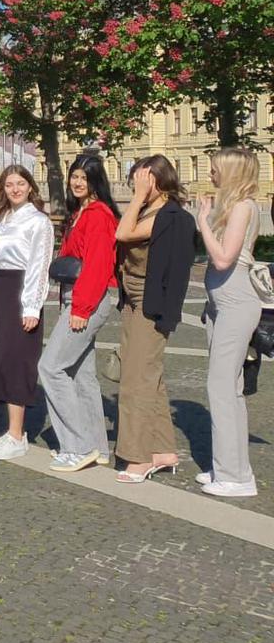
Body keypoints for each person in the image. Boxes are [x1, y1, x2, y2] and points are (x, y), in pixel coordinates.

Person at [112, 155, 193, 484]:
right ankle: (163, 450)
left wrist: (137, 197)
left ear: (157, 180)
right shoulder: (150, 210)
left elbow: (123, 233)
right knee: (150, 378)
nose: (136, 184)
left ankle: (138, 456)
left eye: (141, 178)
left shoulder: (170, 216)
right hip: (133, 300)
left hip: (152, 303)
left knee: (135, 382)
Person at [38, 154, 119, 472]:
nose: (77, 182)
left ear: (96, 180)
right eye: (74, 176)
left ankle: (77, 445)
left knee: (51, 368)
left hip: (87, 299)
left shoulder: (98, 214)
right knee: (82, 375)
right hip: (79, 298)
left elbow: (98, 266)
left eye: (84, 177)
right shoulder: (80, 213)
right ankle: (97, 446)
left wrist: (81, 308)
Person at [196, 147, 263, 497]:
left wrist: (203, 223)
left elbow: (223, 259)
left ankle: (234, 477)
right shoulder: (237, 207)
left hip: (236, 303)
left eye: (214, 169)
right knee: (229, 389)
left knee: (221, 388)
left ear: (232, 172)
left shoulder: (242, 207)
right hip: (222, 304)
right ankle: (233, 468)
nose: (210, 174)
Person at [0, 165, 54, 462]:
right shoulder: (4, 219)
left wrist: (32, 305)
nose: (15, 189)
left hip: (20, 290)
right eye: (9, 184)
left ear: (30, 186)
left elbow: (39, 264)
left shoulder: (38, 221)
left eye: (20, 183)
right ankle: (10, 430)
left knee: (16, 359)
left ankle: (17, 433)